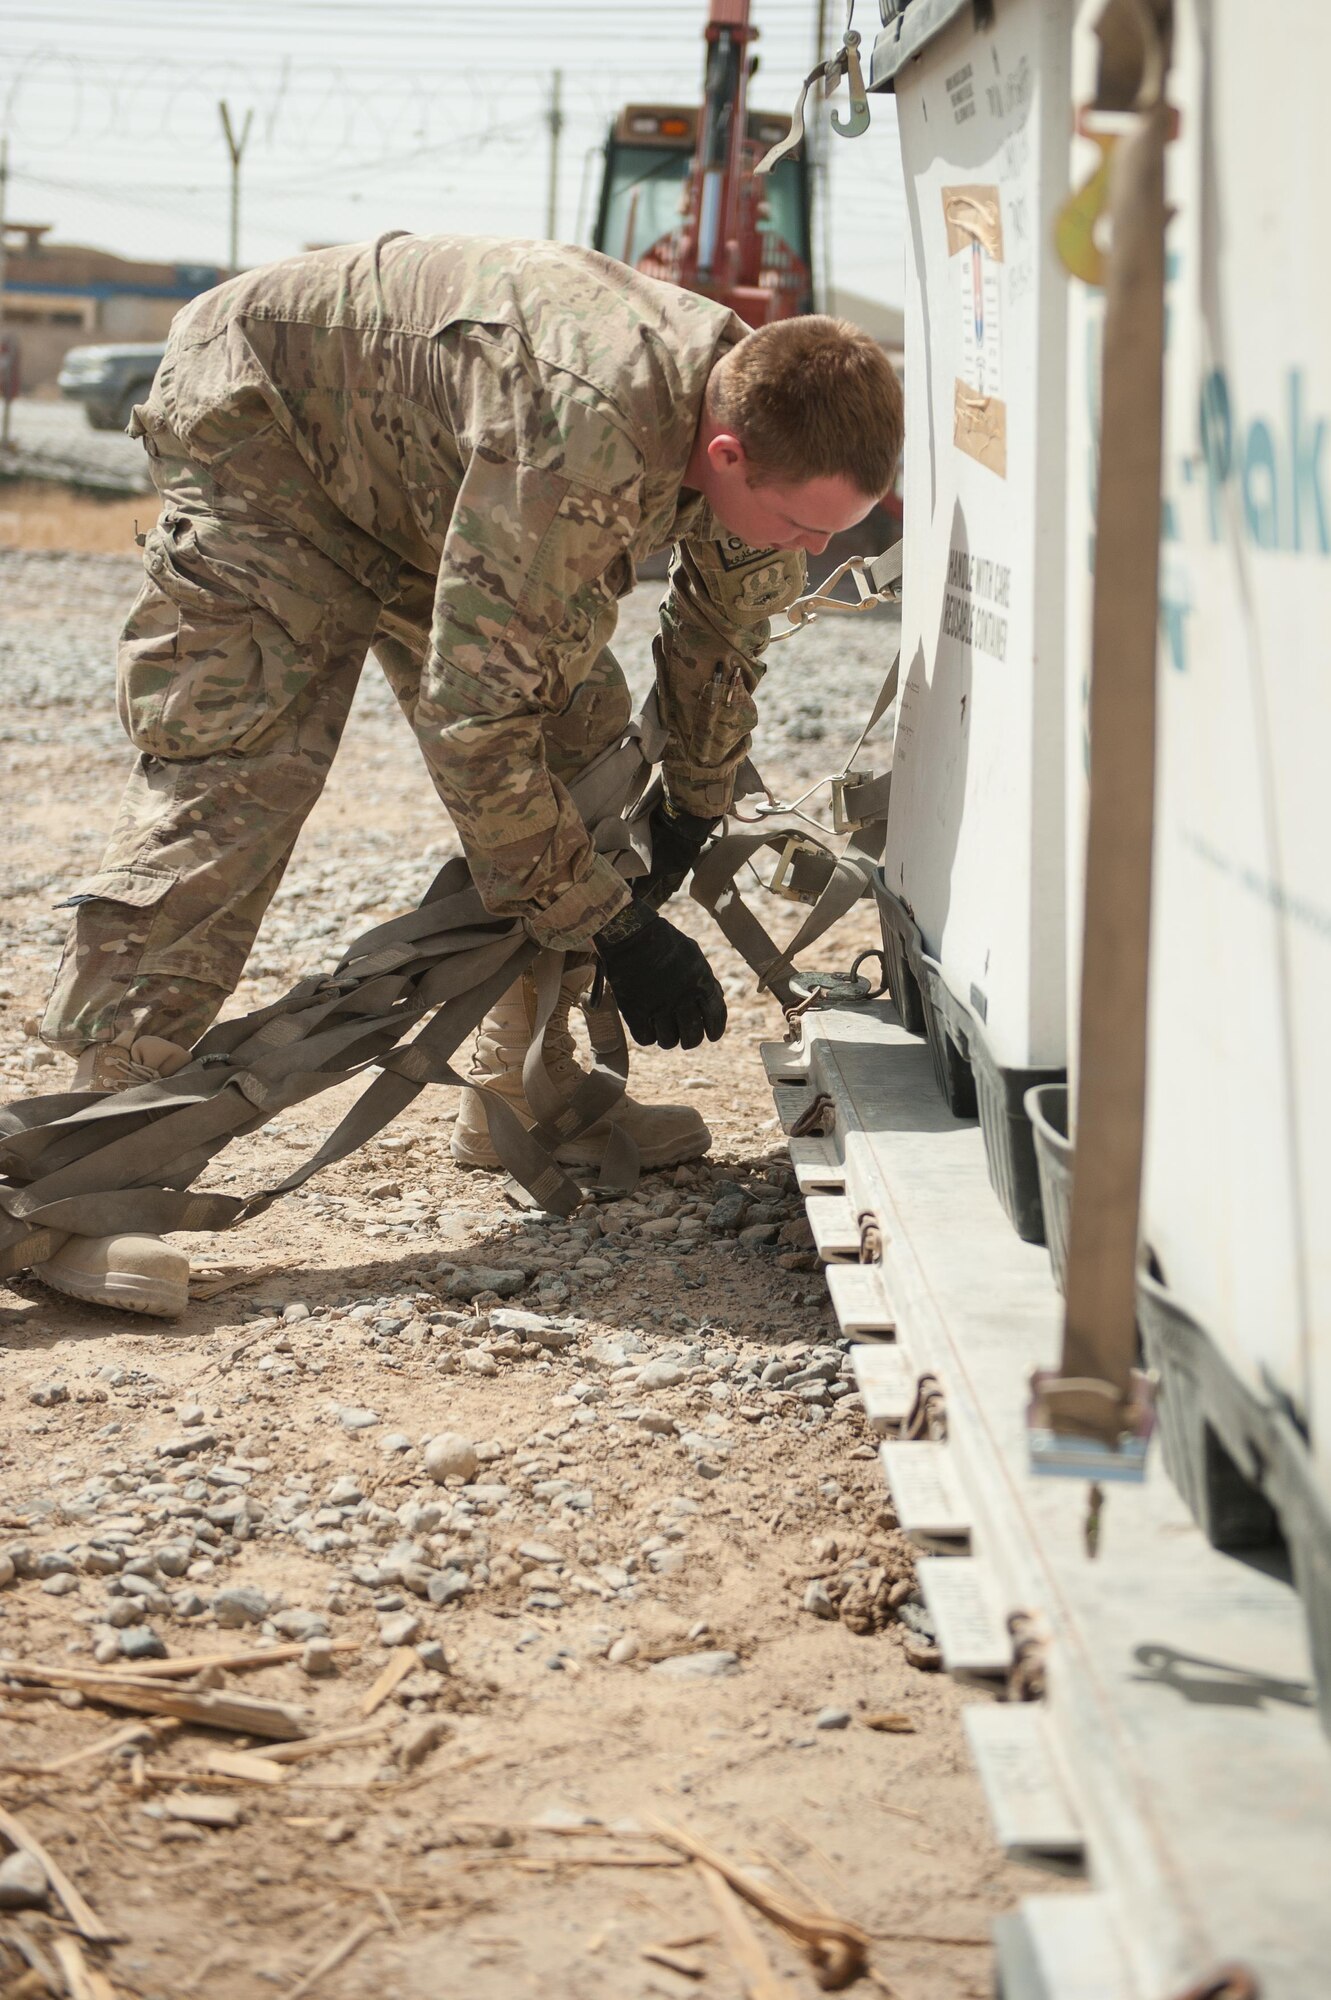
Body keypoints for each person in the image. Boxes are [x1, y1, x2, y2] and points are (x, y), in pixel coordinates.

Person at [28, 233, 904, 1317]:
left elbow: (721, 633)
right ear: (723, 455)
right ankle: (80, 1176)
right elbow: (476, 724)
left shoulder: (763, 418)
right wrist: (615, 924)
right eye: (800, 527)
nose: (809, 552)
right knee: (236, 789)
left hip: (425, 470)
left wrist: (690, 802)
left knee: (586, 749)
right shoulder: (582, 440)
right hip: (270, 439)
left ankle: (517, 1086)